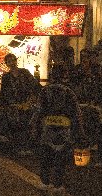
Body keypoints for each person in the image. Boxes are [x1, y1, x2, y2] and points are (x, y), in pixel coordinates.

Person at [30, 64, 86, 193]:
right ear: (63, 75)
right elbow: (77, 113)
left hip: (48, 127)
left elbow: (39, 111)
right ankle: (58, 184)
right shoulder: (69, 91)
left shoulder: (45, 90)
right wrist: (80, 131)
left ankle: (45, 181)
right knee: (60, 156)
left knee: (46, 155)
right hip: (64, 129)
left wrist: (34, 127)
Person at [0, 53, 41, 154]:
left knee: (28, 124)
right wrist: (3, 106)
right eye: (9, 61)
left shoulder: (24, 73)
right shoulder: (6, 77)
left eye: (13, 60)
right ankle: (17, 148)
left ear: (16, 61)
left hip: (26, 104)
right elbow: (3, 93)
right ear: (6, 64)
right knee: (15, 125)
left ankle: (27, 147)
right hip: (13, 106)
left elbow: (35, 86)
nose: (12, 63)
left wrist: (32, 99)